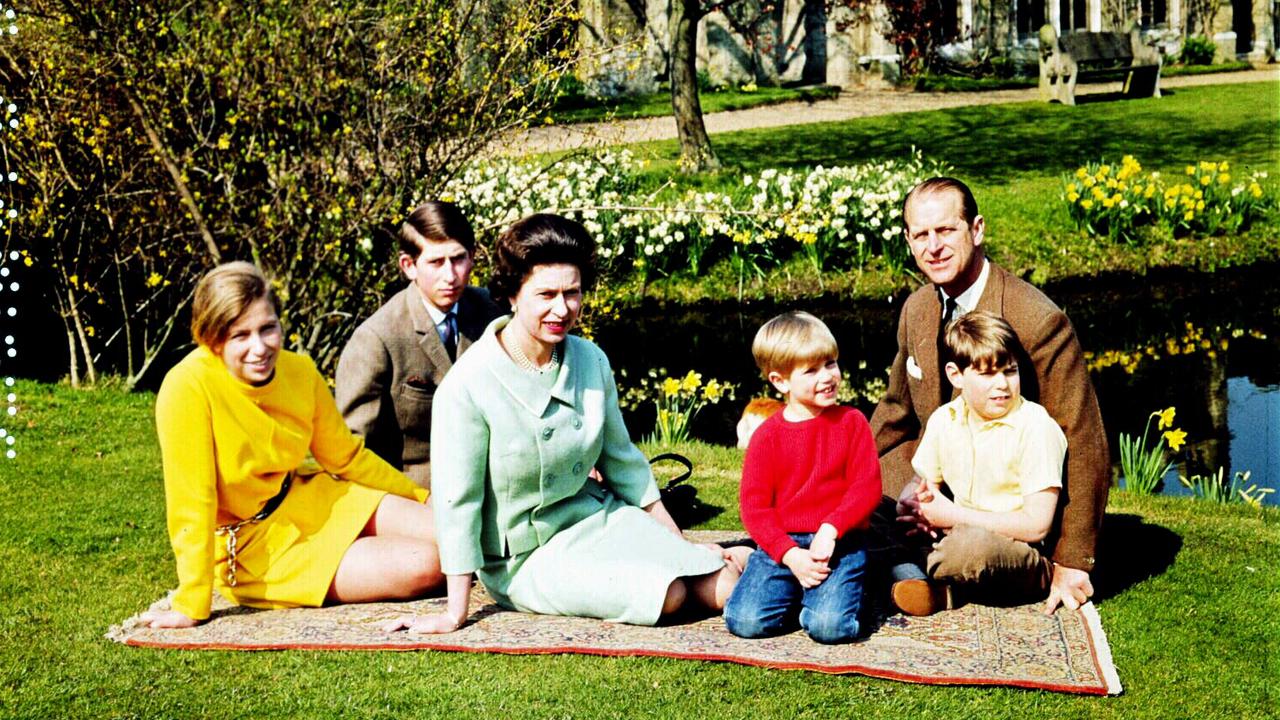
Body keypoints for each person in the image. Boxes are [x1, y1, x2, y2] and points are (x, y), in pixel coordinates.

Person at [381, 214, 750, 634]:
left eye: (572, 293)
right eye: (547, 295)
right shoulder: (468, 385)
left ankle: (748, 562)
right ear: (513, 296)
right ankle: (739, 559)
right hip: (525, 558)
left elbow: (623, 463)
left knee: (721, 585)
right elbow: (457, 505)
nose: (563, 309)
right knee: (669, 596)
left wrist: (678, 543)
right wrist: (455, 612)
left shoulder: (591, 359)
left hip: (598, 519)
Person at [141, 262, 443, 629]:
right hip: (254, 547)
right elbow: (192, 502)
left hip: (308, 498)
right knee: (429, 564)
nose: (259, 348)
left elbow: (345, 456)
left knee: (456, 534)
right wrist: (192, 600)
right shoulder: (186, 387)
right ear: (213, 338)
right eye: (240, 336)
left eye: (268, 329)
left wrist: (418, 495)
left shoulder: (299, 370)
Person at [870, 177, 1109, 615]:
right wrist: (847, 480)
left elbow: (1082, 437)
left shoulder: (1038, 320)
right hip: (943, 477)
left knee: (971, 549)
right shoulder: (918, 309)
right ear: (908, 241)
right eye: (921, 235)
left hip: (1011, 509)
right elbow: (895, 411)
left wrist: (1074, 560)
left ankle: (909, 568)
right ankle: (902, 561)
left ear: (976, 230)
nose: (933, 246)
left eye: (946, 231)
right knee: (858, 505)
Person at [890, 311, 1067, 616]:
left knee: (970, 548)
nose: (1002, 385)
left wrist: (952, 516)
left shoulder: (1035, 426)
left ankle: (918, 579)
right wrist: (912, 503)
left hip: (1014, 549)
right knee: (877, 516)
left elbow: (1038, 525)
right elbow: (923, 480)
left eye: (1010, 371)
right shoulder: (946, 418)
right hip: (952, 535)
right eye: (987, 374)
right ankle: (928, 584)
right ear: (955, 375)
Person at [723, 312, 880, 644]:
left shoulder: (852, 422)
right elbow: (755, 509)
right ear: (781, 381)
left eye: (831, 363)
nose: (827, 377)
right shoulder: (767, 436)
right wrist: (790, 555)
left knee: (829, 627)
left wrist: (831, 528)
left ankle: (857, 590)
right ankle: (790, 583)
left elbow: (866, 489)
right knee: (744, 621)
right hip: (784, 544)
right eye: (811, 371)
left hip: (840, 541)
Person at [336, 201, 503, 488]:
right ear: (409, 266)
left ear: (473, 257)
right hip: (417, 495)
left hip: (496, 481)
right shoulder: (376, 339)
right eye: (436, 263)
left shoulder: (493, 313)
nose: (450, 276)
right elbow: (354, 453)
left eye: (458, 259)